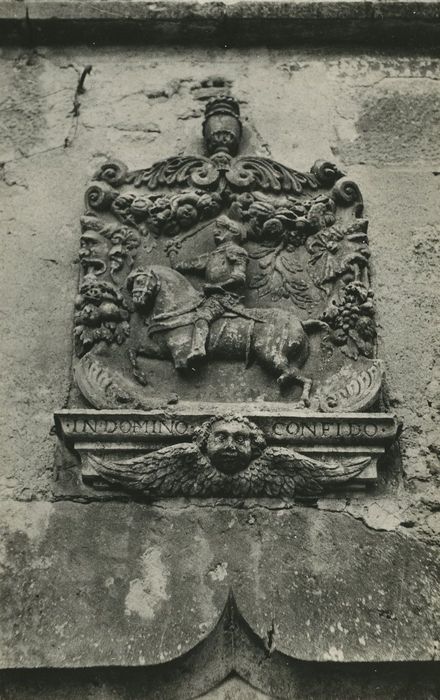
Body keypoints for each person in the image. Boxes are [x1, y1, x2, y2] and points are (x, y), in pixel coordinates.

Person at [173, 215, 251, 363]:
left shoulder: (236, 251)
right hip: (208, 296)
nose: (215, 231)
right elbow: (185, 265)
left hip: (226, 297)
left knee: (203, 315)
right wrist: (172, 254)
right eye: (216, 228)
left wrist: (216, 286)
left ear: (232, 231)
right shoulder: (212, 255)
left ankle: (198, 348)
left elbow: (239, 278)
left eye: (220, 228)